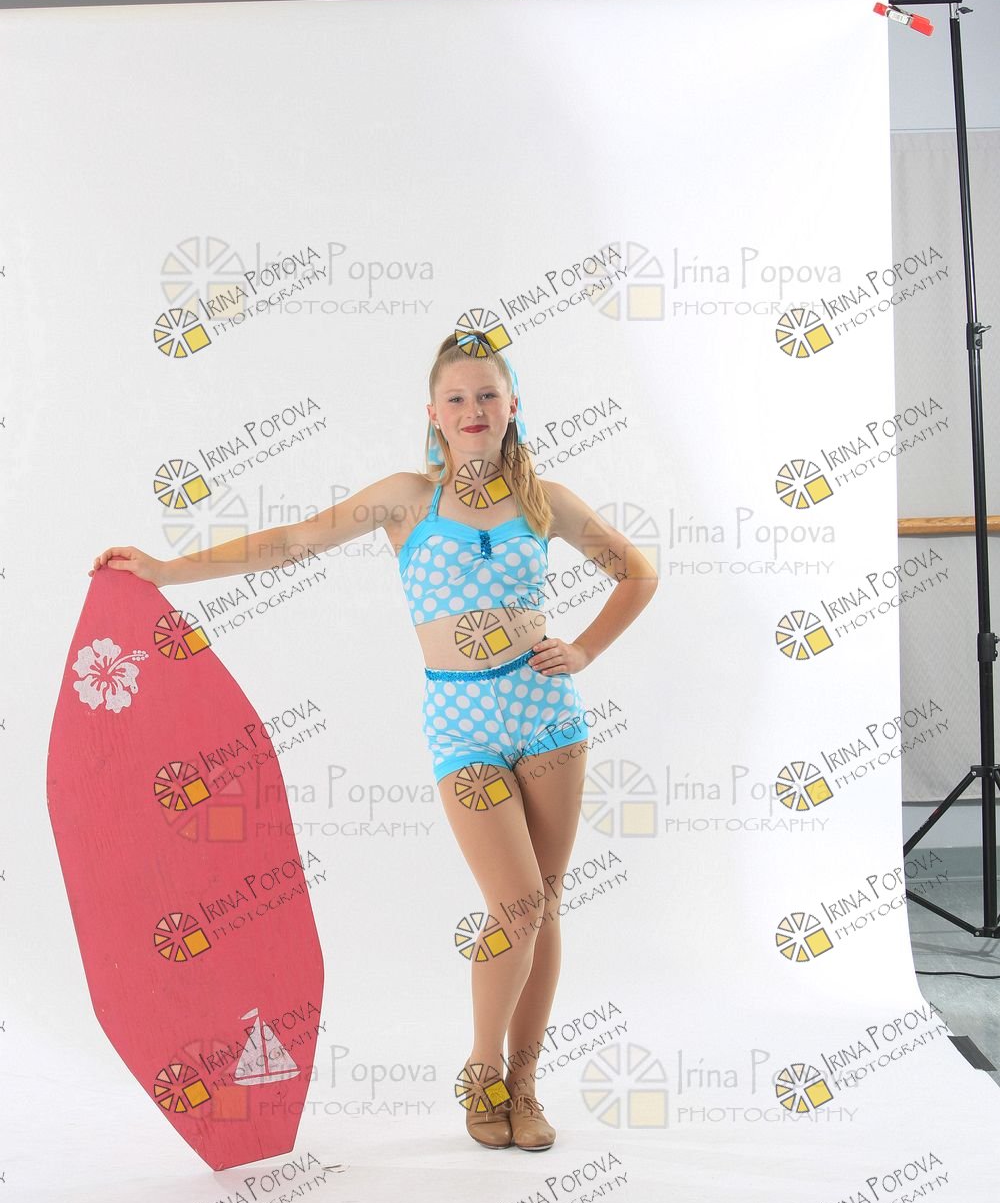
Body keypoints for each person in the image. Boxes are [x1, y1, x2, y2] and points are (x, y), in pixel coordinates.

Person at [90, 329, 659, 1152]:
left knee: (544, 902)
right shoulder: (406, 499)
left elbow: (637, 571)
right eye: (457, 398)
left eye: (487, 395)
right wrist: (168, 570)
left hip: (548, 716)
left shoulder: (546, 501)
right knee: (516, 906)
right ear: (434, 413)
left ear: (513, 406)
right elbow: (293, 541)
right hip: (461, 723)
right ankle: (482, 1072)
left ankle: (527, 1083)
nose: (472, 409)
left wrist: (587, 650)